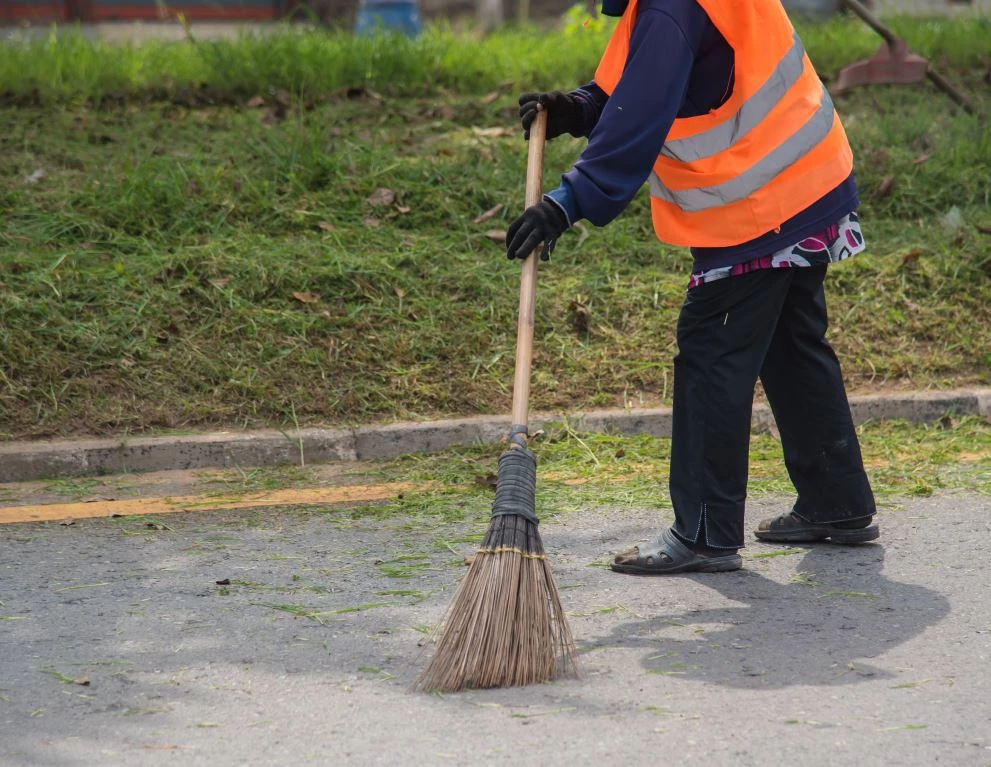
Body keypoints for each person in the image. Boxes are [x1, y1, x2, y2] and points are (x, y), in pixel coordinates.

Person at [505, 0, 879, 575]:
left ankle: (705, 531)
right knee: (791, 345)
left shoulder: (670, 8)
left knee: (710, 350)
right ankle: (838, 502)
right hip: (807, 180)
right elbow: (654, 80)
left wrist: (567, 202)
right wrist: (579, 108)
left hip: (758, 204)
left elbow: (642, 112)